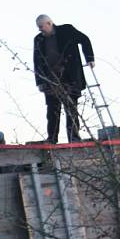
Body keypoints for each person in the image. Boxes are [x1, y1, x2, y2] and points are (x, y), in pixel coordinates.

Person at [33, 15, 95, 144]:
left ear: (49, 23)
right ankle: (52, 138)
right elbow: (37, 60)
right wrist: (39, 81)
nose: (40, 30)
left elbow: (84, 39)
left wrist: (89, 58)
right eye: (38, 28)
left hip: (69, 78)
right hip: (50, 81)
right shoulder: (38, 39)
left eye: (41, 27)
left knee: (71, 109)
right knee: (52, 111)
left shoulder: (67, 30)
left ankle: (74, 138)